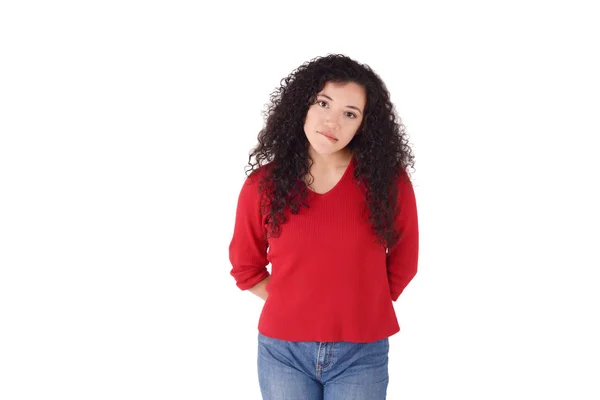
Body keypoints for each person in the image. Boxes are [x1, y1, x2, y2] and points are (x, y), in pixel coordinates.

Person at [228, 53, 419, 400]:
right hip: (282, 352)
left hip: (362, 353)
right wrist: (301, 303)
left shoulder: (389, 182)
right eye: (323, 103)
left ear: (364, 125)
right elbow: (246, 268)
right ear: (303, 104)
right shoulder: (262, 185)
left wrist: (358, 304)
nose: (333, 122)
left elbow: (405, 261)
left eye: (350, 113)